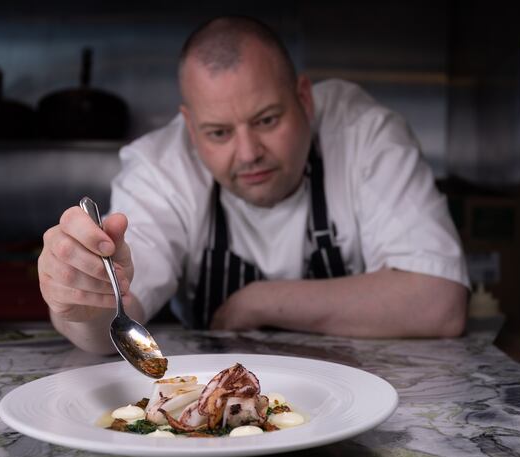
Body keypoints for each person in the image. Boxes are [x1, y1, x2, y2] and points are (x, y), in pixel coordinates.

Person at [38, 15, 470, 354]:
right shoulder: (159, 166)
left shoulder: (364, 133)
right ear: (190, 125)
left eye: (266, 120)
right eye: (218, 133)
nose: (248, 153)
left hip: (359, 395)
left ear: (304, 98)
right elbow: (117, 320)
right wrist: (80, 304)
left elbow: (439, 303)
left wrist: (259, 301)